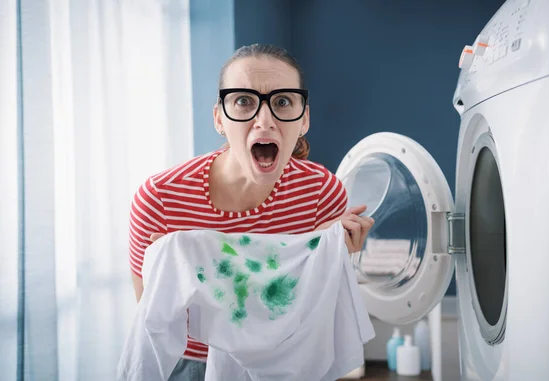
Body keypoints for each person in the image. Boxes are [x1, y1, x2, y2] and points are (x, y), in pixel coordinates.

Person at [128, 43, 374, 380]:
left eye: (283, 102)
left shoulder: (321, 193)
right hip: (188, 364)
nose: (264, 120)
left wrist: (337, 252)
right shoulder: (160, 199)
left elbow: (314, 303)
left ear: (304, 120)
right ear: (219, 118)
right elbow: (152, 315)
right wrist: (170, 265)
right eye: (243, 101)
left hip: (284, 358)